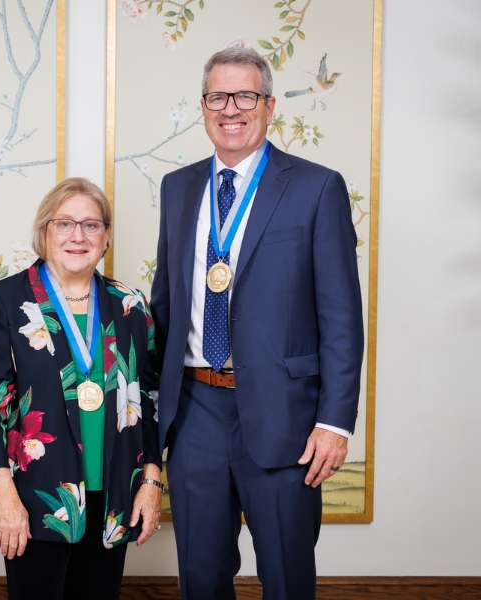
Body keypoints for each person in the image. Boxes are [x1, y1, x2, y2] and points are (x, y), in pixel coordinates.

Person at [151, 47, 364, 599]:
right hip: (195, 412)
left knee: (287, 578)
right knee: (200, 577)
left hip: (285, 416)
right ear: (203, 107)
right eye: (217, 96)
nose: (231, 108)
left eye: (245, 96)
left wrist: (335, 423)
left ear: (269, 107)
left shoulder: (317, 187)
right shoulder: (177, 188)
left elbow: (341, 316)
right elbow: (166, 306)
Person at [0, 177, 163, 600]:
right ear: (44, 232)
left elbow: (151, 401)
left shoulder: (131, 306)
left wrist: (151, 483)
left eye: (91, 225)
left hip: (114, 496)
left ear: (107, 236)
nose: (78, 236)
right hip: (36, 497)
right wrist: (4, 495)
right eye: (64, 224)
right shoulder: (5, 300)